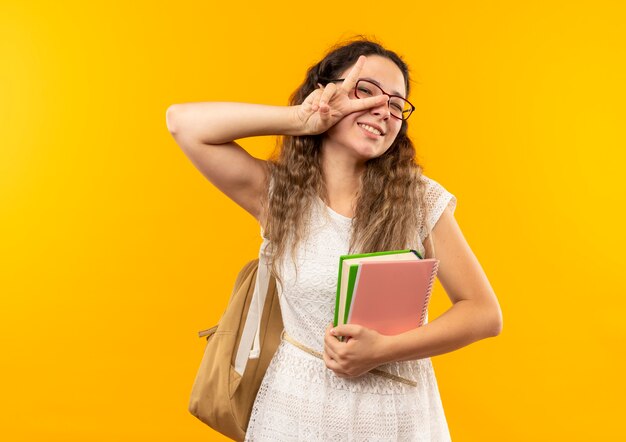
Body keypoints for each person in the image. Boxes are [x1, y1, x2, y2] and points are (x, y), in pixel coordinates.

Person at [166, 38, 503, 441]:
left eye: (397, 105)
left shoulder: (418, 199)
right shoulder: (279, 195)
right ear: (325, 93)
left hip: (397, 417)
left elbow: (483, 313)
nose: (384, 110)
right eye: (366, 91)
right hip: (296, 410)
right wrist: (301, 119)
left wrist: (382, 351)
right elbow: (181, 123)